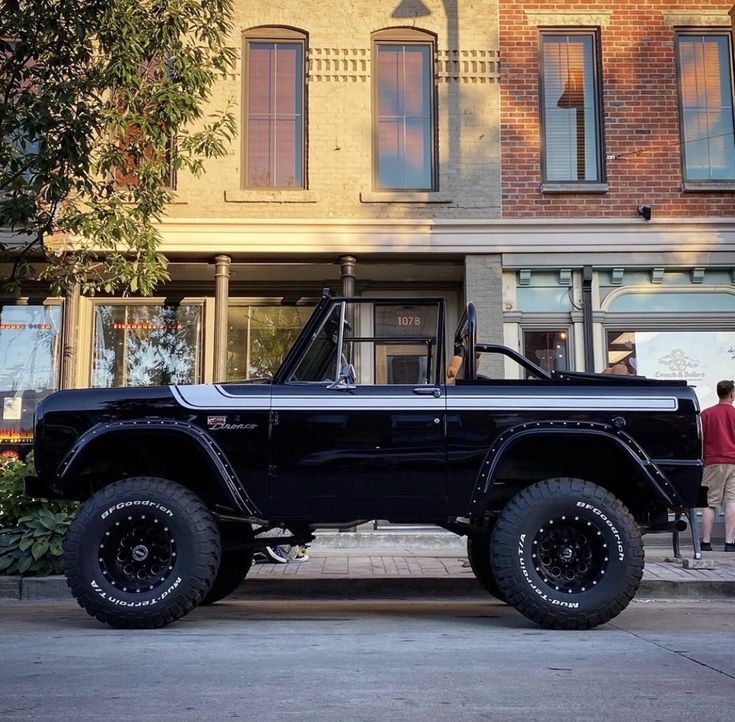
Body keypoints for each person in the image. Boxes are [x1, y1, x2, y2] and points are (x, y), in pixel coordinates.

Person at [699, 379, 735, 552]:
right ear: (731, 394)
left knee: (709, 503)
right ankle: (729, 543)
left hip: (712, 462)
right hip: (733, 462)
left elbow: (701, 439)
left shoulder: (706, 414)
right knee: (731, 502)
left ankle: (706, 542)